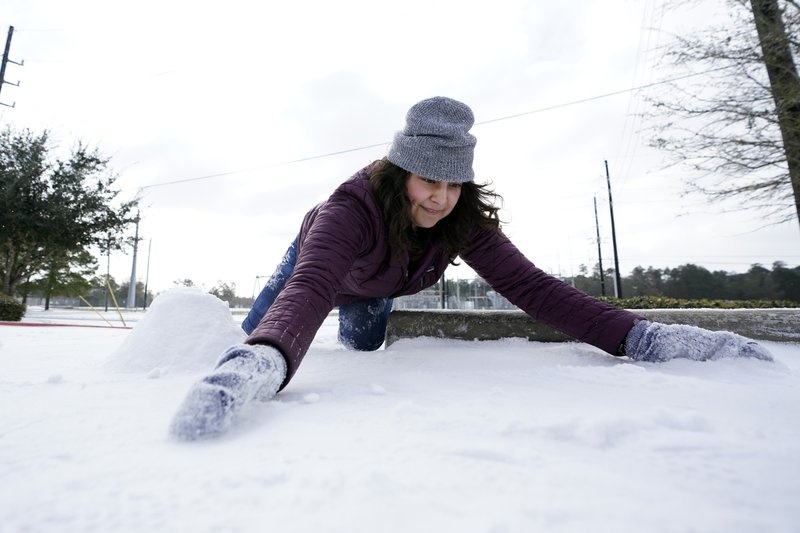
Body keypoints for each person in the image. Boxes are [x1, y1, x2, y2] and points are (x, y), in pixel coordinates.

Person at [169, 96, 773, 440]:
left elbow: (529, 287)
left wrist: (643, 336)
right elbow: (311, 285)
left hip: (377, 289)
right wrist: (259, 363)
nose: (440, 197)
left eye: (454, 183)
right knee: (258, 331)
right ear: (400, 171)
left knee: (362, 345)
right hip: (314, 270)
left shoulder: (460, 216)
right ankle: (245, 357)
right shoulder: (347, 210)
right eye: (428, 181)